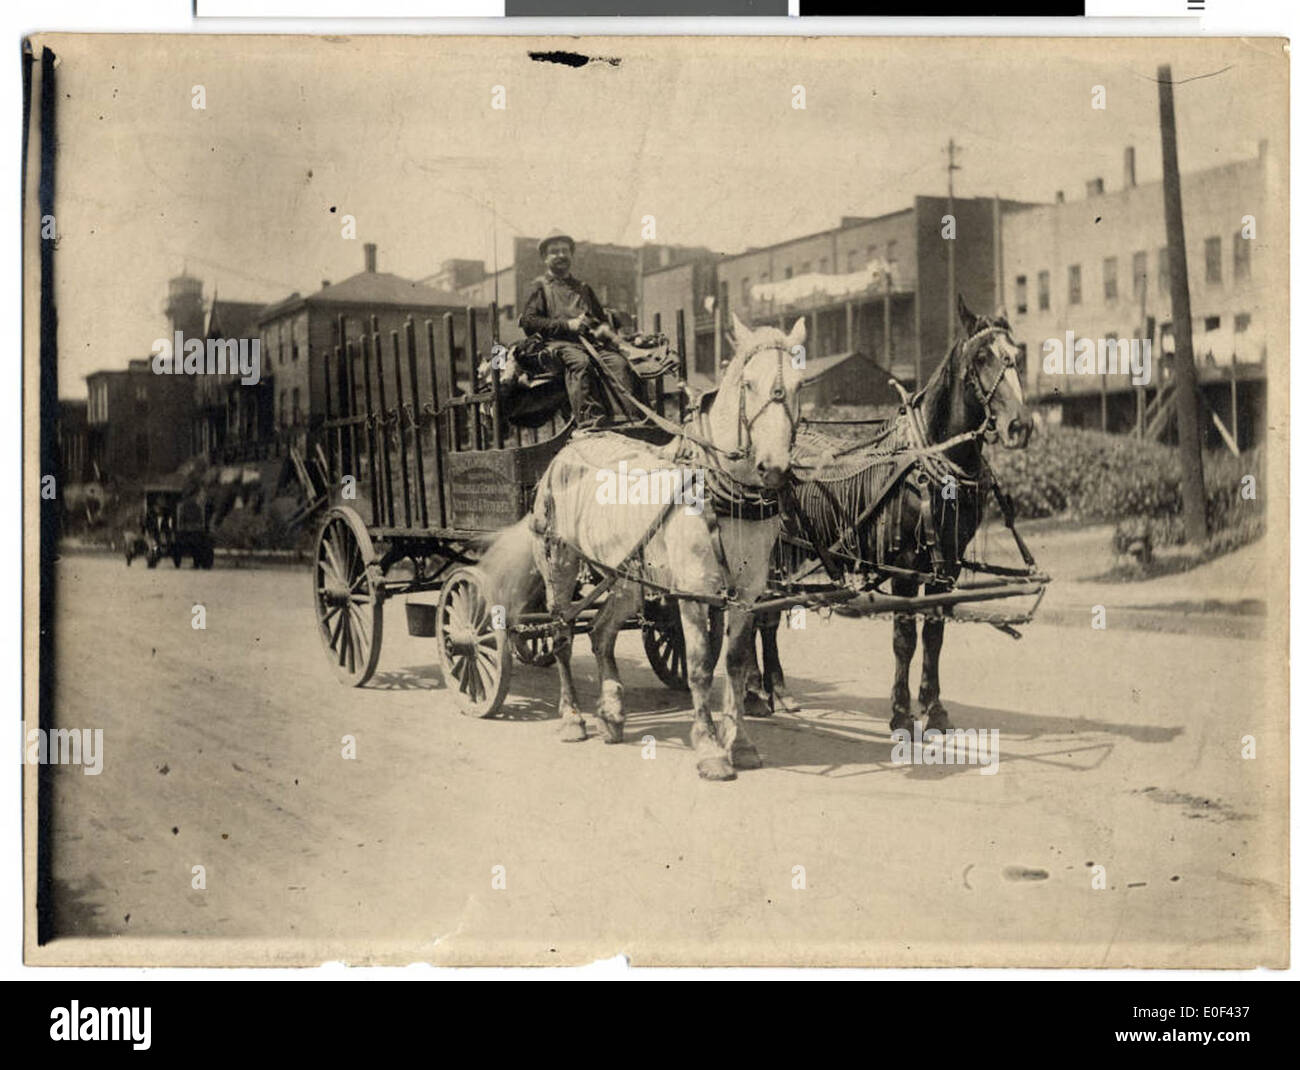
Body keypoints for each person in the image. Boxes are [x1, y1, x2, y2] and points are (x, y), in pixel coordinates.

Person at [519, 230, 638, 429]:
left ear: (572, 255)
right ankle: (589, 420)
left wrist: (610, 336)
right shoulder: (540, 287)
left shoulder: (583, 288)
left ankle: (625, 418)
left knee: (618, 363)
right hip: (558, 345)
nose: (561, 255)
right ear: (545, 258)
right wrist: (568, 325)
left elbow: (600, 322)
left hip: (590, 344)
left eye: (565, 251)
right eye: (554, 251)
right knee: (580, 364)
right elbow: (529, 322)